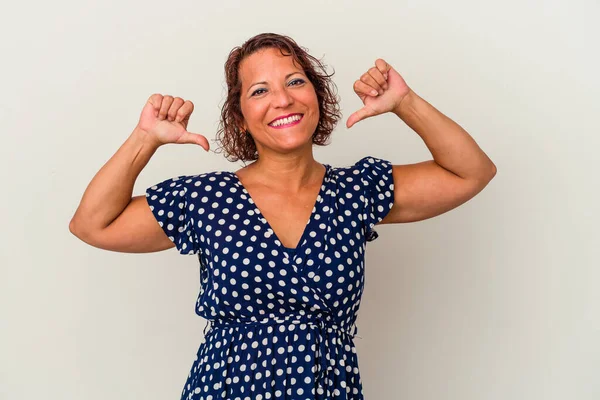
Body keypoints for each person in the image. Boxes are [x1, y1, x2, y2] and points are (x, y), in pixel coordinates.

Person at [69, 32, 496, 400]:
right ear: (240, 116)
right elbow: (92, 224)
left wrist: (404, 102)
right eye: (259, 91)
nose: (283, 99)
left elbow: (471, 172)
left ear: (317, 96)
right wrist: (145, 139)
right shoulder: (206, 200)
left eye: (295, 81)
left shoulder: (356, 192)